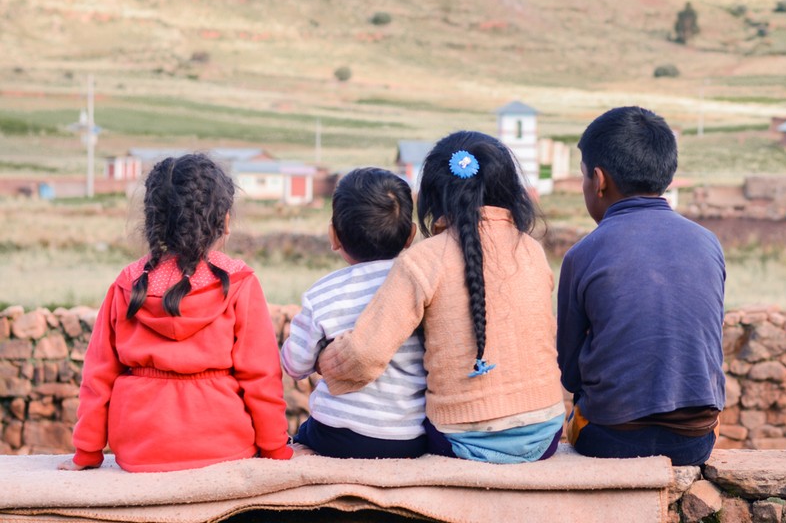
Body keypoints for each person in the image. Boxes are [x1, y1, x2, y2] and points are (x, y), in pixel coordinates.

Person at [319, 132, 563, 463]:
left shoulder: (424, 260)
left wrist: (326, 359)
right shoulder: (532, 250)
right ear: (509, 189)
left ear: (433, 197)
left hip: (462, 442)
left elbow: (364, 354)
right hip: (545, 432)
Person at [61, 154, 291, 472]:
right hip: (223, 443)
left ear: (153, 219)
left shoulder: (127, 283)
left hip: (139, 450)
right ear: (224, 219)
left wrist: (87, 452)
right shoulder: (240, 281)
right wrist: (275, 448)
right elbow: (261, 376)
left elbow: (97, 377)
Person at [557, 106, 726, 466]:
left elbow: (569, 372)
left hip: (608, 439)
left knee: (574, 418)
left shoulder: (583, 253)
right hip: (695, 441)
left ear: (599, 180)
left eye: (584, 177)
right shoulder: (708, 242)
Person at [281, 167, 430, 459]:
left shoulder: (323, 293)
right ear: (410, 235)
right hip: (411, 436)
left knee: (299, 438)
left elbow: (295, 366)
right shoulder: (421, 287)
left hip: (338, 434)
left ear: (333, 235)